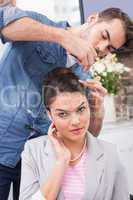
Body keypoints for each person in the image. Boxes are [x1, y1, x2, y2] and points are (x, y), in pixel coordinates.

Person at [0, 2, 133, 199]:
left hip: (38, 162)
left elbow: (83, 135)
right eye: (104, 36)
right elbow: (5, 22)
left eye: (110, 48)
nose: (102, 48)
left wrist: (96, 109)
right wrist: (65, 37)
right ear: (92, 19)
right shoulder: (41, 25)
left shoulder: (84, 75)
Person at [19, 67, 129, 200]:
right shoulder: (33, 151)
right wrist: (62, 161)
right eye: (63, 114)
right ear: (49, 114)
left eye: (81, 109)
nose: (76, 121)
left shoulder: (109, 153)